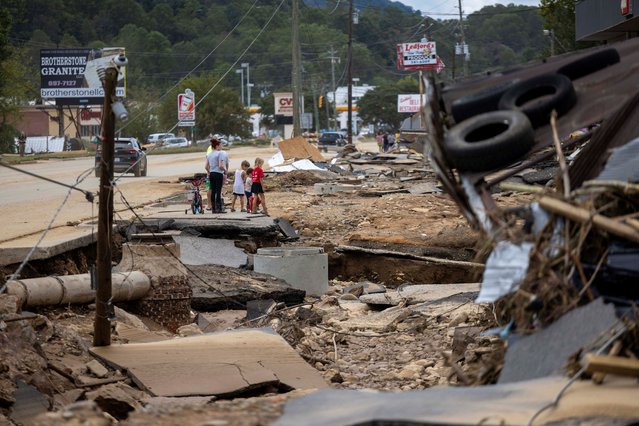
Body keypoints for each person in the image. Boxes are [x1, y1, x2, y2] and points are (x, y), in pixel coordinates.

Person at [205, 138, 228, 213]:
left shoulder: (209, 154)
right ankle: (219, 208)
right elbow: (220, 165)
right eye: (220, 145)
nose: (221, 146)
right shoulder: (220, 153)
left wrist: (209, 171)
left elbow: (206, 166)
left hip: (211, 174)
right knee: (218, 191)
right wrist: (225, 170)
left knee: (213, 190)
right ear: (217, 146)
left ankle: (213, 208)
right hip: (218, 174)